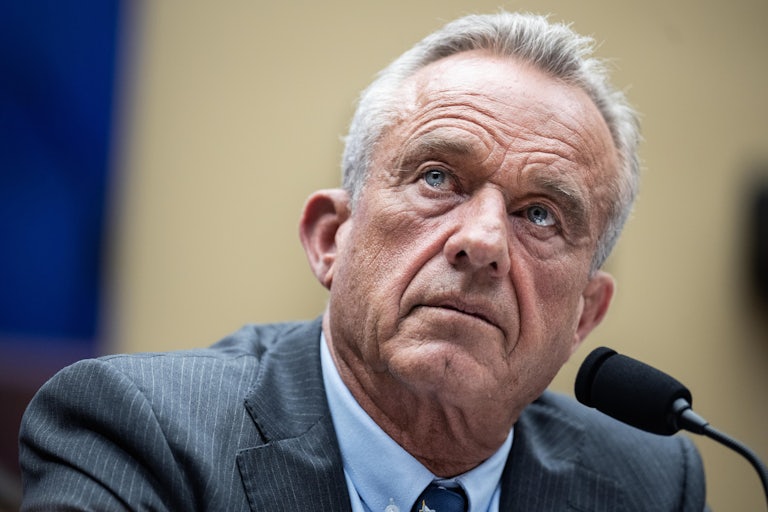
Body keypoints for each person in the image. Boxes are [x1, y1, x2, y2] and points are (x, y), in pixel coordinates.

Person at [19, 11, 708, 511]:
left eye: (540, 215)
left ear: (585, 314)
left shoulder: (651, 483)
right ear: (330, 238)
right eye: (438, 178)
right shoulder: (143, 434)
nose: (485, 242)